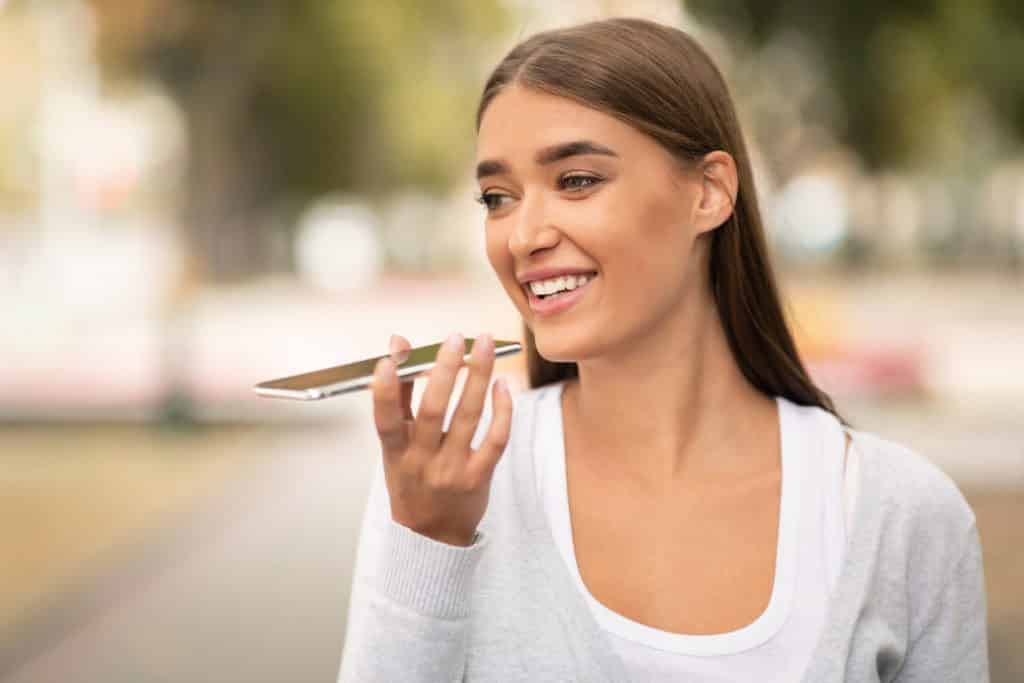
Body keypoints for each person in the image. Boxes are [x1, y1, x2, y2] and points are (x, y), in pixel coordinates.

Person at [337, 17, 989, 682]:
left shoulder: (902, 518)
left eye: (577, 180)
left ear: (708, 192)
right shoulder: (446, 489)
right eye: (498, 198)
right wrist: (430, 547)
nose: (522, 235)